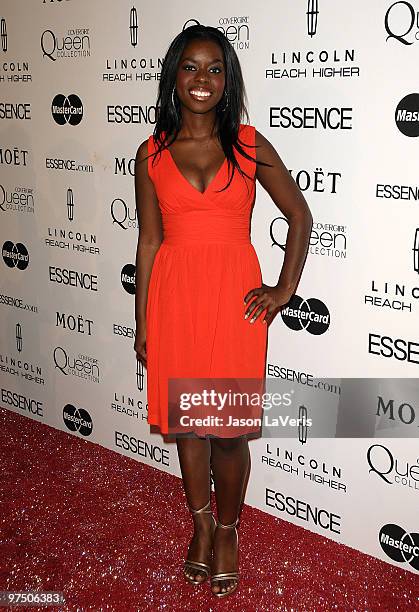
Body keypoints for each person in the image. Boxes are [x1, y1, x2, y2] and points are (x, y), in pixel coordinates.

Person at [134, 24, 312, 598]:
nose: (202, 79)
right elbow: (148, 243)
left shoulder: (249, 143)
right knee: (189, 423)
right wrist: (143, 323)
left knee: (229, 431)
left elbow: (300, 218)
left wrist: (283, 291)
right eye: (190, 67)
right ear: (173, 78)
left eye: (214, 68)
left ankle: (230, 530)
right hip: (175, 298)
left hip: (234, 300)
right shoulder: (151, 153)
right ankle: (202, 526)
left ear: (227, 78)